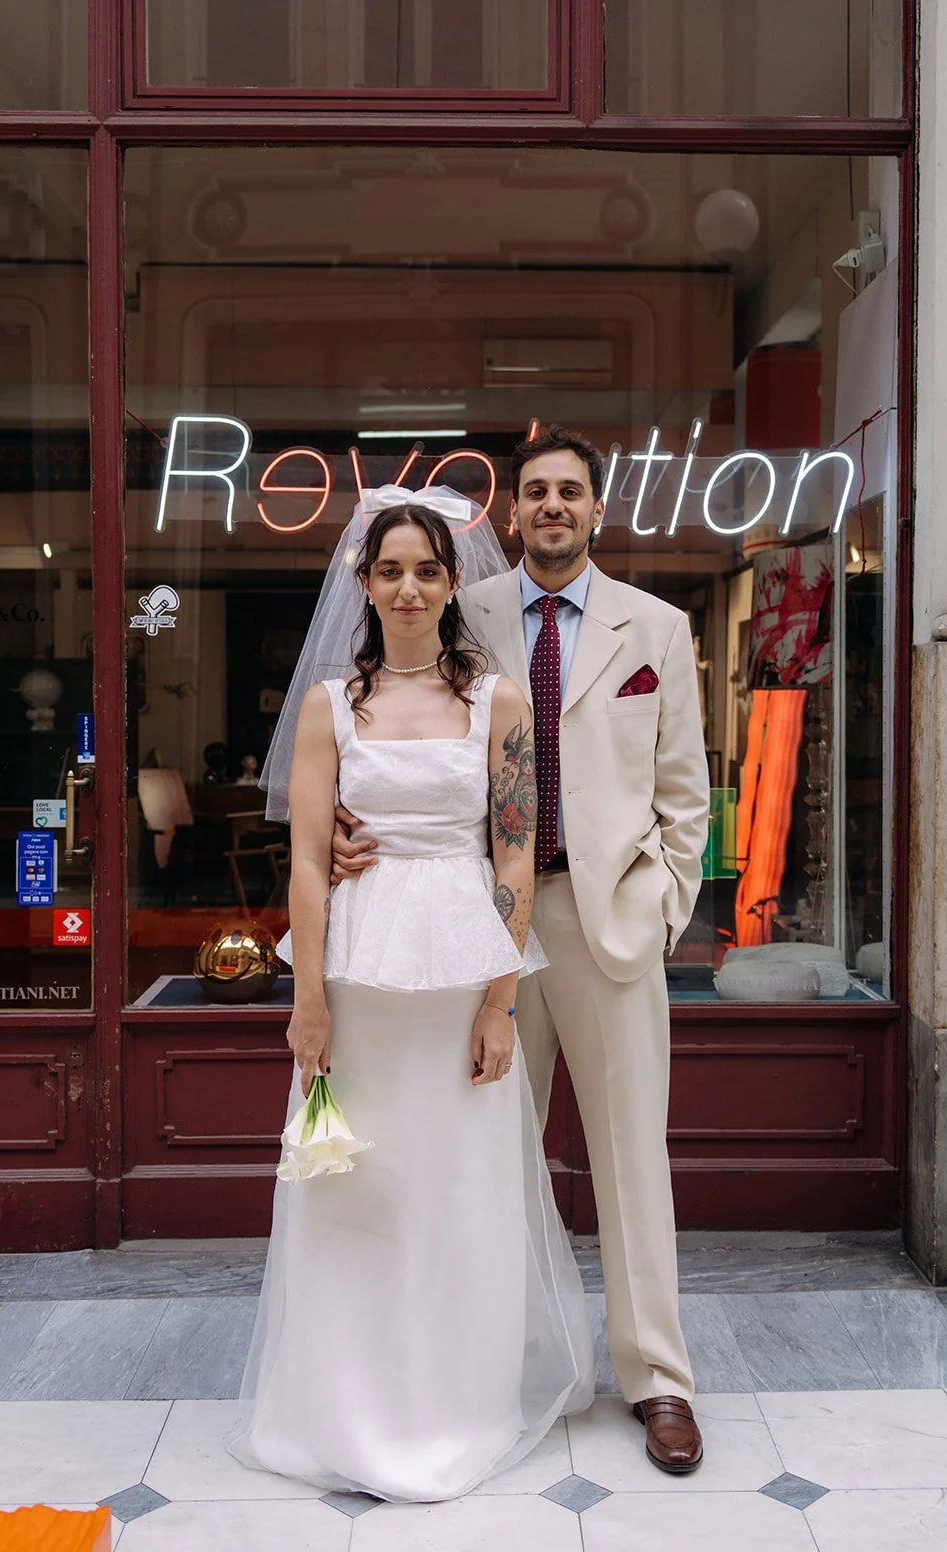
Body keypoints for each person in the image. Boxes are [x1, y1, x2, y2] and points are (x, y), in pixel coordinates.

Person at [335, 426, 711, 1475]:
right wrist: (349, 821)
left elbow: (686, 794)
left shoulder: (659, 629)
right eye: (535, 492)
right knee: (487, 1156)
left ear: (597, 511)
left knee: (632, 1159)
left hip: (608, 930)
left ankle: (656, 1380)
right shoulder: (472, 613)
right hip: (479, 923)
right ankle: (497, 1368)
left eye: (569, 492)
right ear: (514, 513)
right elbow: (401, 725)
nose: (551, 505)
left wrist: (665, 902)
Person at [227, 491, 594, 1503]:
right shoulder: (326, 708)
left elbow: (514, 850)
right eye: (388, 569)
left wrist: (497, 1003)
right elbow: (305, 862)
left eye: (426, 570)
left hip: (458, 967)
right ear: (363, 581)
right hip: (355, 967)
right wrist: (307, 1002)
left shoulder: (499, 705)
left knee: (455, 1188)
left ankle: (453, 1402)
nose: (407, 588)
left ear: (451, 583)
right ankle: (344, 1406)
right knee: (357, 1190)